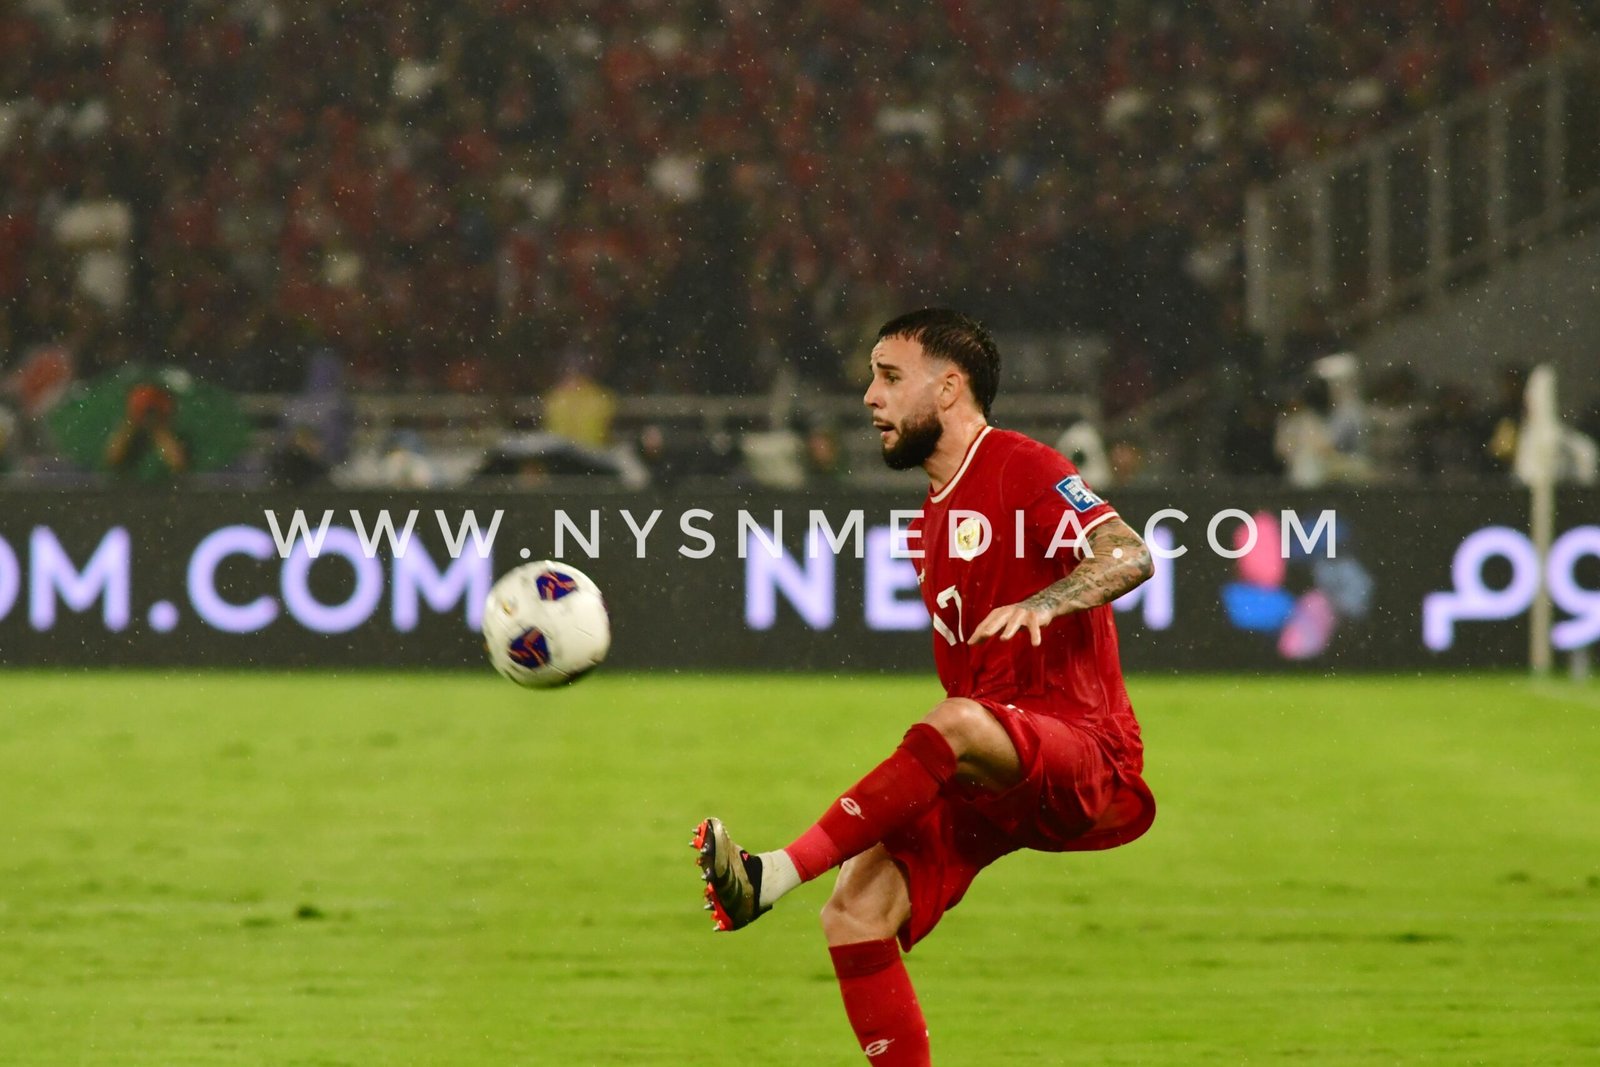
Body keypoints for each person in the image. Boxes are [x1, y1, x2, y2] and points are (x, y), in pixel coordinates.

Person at [693, 308, 1157, 1065]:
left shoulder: (1021, 464)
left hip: (1082, 749)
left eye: (888, 377)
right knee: (854, 910)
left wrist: (1047, 602)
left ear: (948, 389)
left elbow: (1130, 554)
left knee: (957, 720)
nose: (870, 397)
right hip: (995, 763)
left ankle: (769, 875)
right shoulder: (930, 521)